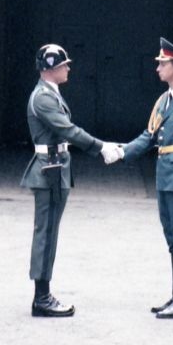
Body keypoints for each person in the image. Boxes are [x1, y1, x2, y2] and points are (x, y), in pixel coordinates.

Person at [116, 37, 173, 319]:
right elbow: (149, 136)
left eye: (162, 63)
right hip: (164, 175)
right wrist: (121, 152)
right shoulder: (164, 100)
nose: (158, 68)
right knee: (172, 236)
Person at [20, 43, 112, 317]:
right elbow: (68, 130)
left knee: (49, 232)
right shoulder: (44, 98)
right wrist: (100, 147)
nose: (68, 68)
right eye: (64, 65)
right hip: (49, 169)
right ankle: (41, 298)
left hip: (55, 167)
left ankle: (44, 294)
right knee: (46, 233)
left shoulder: (49, 93)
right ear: (51, 69)